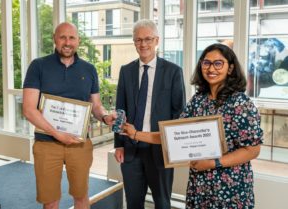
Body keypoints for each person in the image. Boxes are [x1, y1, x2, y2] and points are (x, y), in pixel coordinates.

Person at [122, 43, 263, 208]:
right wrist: (135, 134)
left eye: (218, 63)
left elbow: (253, 149)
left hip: (230, 189)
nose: (211, 68)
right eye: (206, 63)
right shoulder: (198, 101)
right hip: (199, 187)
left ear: (230, 68)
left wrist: (213, 163)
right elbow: (172, 136)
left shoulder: (241, 103)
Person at [23, 22, 115, 209]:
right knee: (50, 201)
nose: (67, 42)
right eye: (62, 37)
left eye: (72, 37)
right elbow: (29, 109)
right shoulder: (38, 66)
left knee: (81, 196)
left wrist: (105, 117)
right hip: (46, 143)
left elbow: (96, 106)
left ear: (78, 41)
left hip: (79, 143)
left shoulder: (89, 69)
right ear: (55, 39)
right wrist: (57, 134)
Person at [114, 19, 186, 209]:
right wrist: (119, 145)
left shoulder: (173, 72)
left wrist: (176, 148)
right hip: (131, 149)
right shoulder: (126, 71)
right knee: (133, 203)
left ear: (157, 40)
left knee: (162, 203)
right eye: (138, 40)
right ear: (134, 42)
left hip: (160, 149)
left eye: (148, 39)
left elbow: (179, 114)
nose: (143, 44)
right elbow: (120, 109)